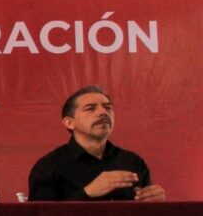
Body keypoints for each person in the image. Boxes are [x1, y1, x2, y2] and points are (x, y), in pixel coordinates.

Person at [28, 85, 165, 201]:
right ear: (69, 122)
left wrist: (155, 204)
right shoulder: (49, 166)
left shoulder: (132, 162)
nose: (103, 112)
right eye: (90, 108)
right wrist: (87, 193)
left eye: (107, 107)